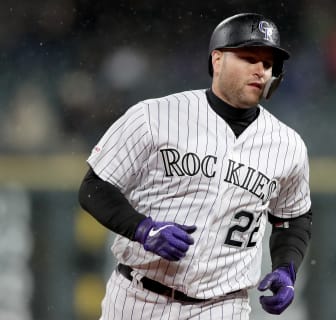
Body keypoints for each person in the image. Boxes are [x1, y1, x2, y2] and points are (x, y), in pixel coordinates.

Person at [78, 12, 312, 320]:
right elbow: (94, 187)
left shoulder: (287, 145)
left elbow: (292, 217)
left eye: (268, 64)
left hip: (222, 305)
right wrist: (142, 229)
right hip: (138, 298)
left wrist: (286, 267)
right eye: (249, 57)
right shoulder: (154, 116)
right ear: (217, 60)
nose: (260, 70)